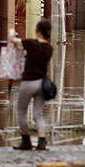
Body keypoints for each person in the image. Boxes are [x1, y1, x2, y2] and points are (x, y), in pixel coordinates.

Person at [11, 19, 54, 150]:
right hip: (41, 83)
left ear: (37, 30)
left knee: (21, 111)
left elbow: (15, 41)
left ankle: (26, 141)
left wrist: (11, 33)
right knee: (38, 114)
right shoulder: (49, 48)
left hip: (28, 82)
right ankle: (42, 140)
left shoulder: (31, 43)